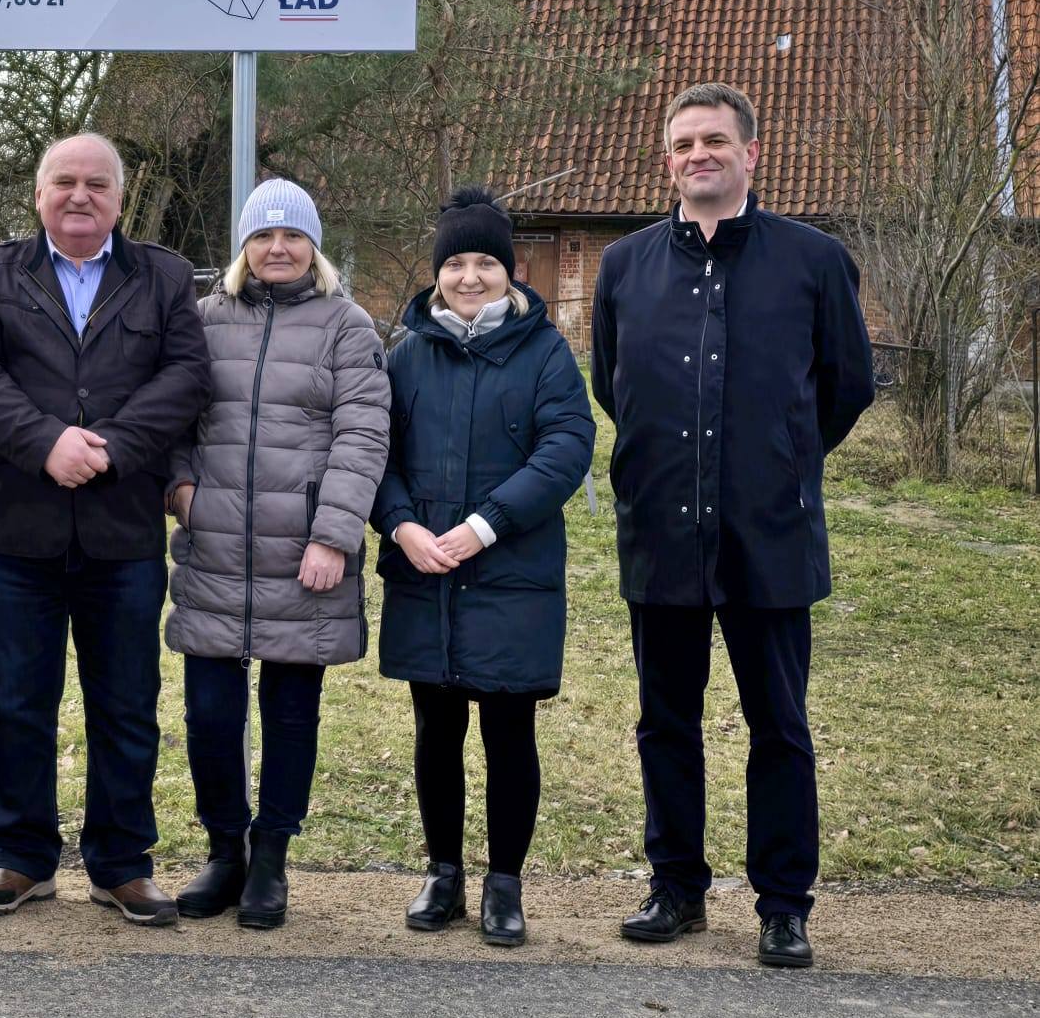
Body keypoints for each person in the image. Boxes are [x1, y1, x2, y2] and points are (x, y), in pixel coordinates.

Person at [592, 83, 874, 970]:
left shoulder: (814, 260)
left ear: (752, 153)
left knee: (778, 726)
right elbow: (613, 385)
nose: (698, 155)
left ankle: (783, 904)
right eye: (682, 144)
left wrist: (783, 458)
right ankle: (676, 888)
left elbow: (846, 385)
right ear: (667, 160)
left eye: (715, 140)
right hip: (663, 532)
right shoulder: (624, 266)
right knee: (664, 722)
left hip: (770, 534)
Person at [0, 132, 211, 926]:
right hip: (15, 533)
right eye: (64, 181)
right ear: (39, 194)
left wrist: (115, 450)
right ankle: (22, 857)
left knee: (127, 704)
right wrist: (45, 444)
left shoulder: (162, 275)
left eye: (97, 184)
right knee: (15, 704)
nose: (79, 195)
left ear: (120, 200)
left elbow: (187, 375)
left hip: (122, 530)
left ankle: (122, 864)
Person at [371, 186, 594, 948]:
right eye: (457, 263)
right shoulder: (405, 356)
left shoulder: (545, 352)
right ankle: (443, 873)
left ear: (509, 270)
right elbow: (377, 454)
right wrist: (400, 526)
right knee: (436, 728)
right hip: (423, 569)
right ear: (438, 273)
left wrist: (482, 526)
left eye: (485, 263)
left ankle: (505, 885)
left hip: (511, 574)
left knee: (508, 729)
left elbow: (566, 447)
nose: (470, 277)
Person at [164, 179, 389, 929]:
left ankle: (271, 859)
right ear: (244, 247)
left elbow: (363, 436)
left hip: (305, 554)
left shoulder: (348, 328)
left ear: (313, 246)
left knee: (292, 715)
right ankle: (225, 850)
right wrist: (182, 489)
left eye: (293, 236)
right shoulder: (201, 321)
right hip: (216, 546)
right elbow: (172, 419)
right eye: (264, 236)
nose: (278, 248)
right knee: (209, 715)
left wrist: (334, 534)